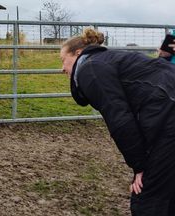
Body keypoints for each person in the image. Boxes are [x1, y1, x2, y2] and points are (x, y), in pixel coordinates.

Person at [60, 28, 175, 215]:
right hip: (166, 111)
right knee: (168, 192)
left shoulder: (89, 69)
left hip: (168, 116)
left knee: (147, 197)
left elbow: (120, 120)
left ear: (78, 53)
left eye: (63, 60)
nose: (62, 68)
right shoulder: (112, 59)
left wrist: (140, 166)